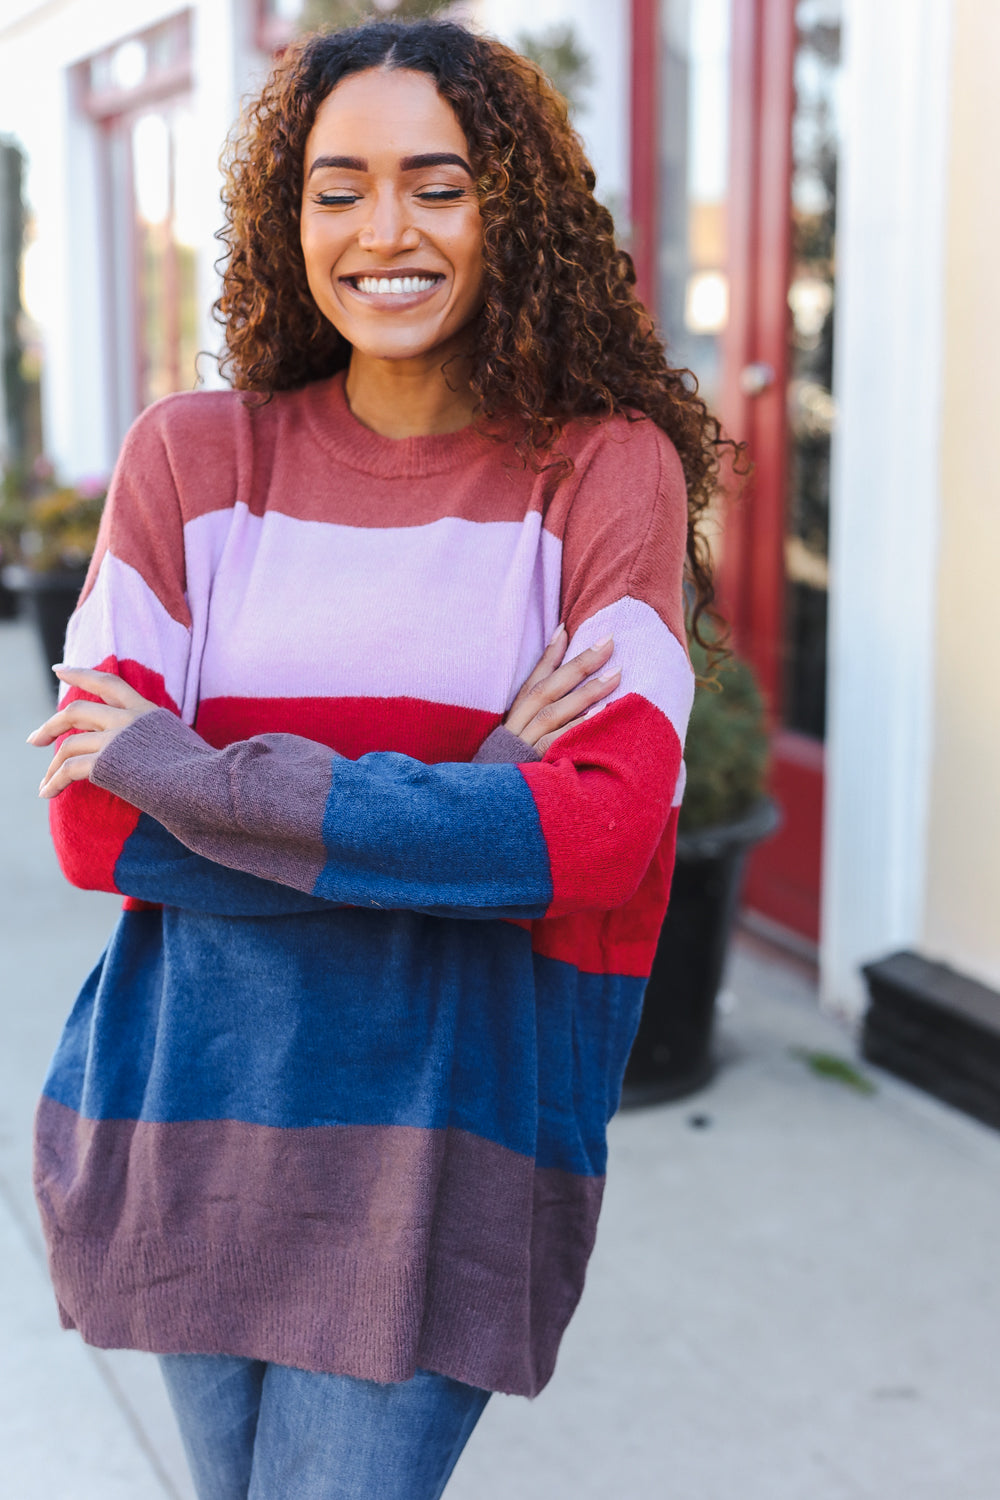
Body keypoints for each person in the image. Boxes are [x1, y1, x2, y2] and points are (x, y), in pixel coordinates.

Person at [27, 18, 728, 1500]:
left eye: (438, 184)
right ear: (290, 221)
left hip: (441, 1145)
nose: (383, 232)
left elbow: (602, 838)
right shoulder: (191, 460)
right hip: (188, 1114)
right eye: (337, 188)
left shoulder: (601, 474)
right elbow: (96, 832)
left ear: (512, 212)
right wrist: (482, 787)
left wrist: (201, 774)